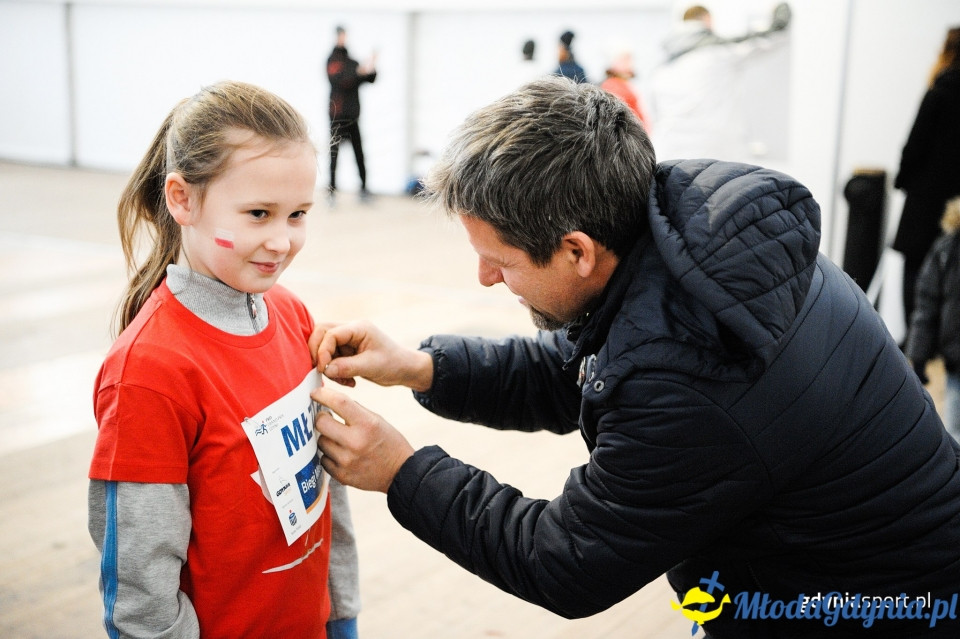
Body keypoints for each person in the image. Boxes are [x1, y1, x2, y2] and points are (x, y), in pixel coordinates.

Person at [310, 76, 960, 637]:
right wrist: (421, 366)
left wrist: (401, 470)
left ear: (576, 251)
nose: (484, 277)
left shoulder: (689, 372)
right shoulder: (703, 246)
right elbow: (577, 365)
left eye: (500, 260)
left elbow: (565, 559)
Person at [87, 81, 360, 639]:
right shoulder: (150, 373)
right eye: (259, 213)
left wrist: (343, 613)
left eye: (298, 214)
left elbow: (324, 496)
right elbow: (141, 594)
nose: (282, 241)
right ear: (183, 199)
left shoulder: (293, 317)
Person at [646, 3, 791, 162]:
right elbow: (767, 39)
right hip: (713, 153)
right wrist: (782, 9)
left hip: (669, 154)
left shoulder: (661, 68)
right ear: (707, 20)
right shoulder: (718, 52)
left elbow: (654, 114)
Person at [892, 26, 960, 335]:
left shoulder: (940, 91)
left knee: (916, 270)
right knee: (950, 275)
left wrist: (903, 181)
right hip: (955, 206)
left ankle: (917, 344)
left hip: (926, 198)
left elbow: (914, 144)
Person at [904, 196, 960, 442]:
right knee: (955, 432)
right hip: (956, 360)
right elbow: (927, 306)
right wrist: (918, 356)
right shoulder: (947, 249)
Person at [327, 25, 377, 206]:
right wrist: (358, 73)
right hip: (337, 116)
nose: (343, 39)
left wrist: (370, 68)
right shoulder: (332, 60)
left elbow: (367, 79)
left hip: (353, 116)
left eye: (345, 36)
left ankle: (363, 189)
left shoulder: (352, 62)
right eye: (340, 36)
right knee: (333, 155)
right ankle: (331, 192)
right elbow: (340, 79)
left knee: (359, 153)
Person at [599, 49, 651, 131]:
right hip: (629, 136)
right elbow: (615, 118)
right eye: (623, 59)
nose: (628, 63)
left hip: (639, 135)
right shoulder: (611, 85)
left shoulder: (627, 83)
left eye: (629, 58)